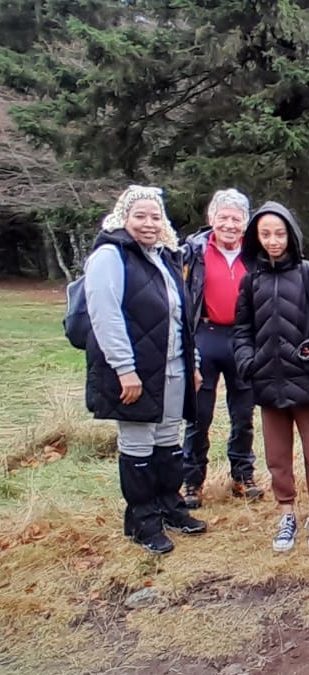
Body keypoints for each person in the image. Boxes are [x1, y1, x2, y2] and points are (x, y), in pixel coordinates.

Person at [84, 185, 206, 554]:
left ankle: (170, 507)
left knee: (169, 440)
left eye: (156, 216)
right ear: (124, 218)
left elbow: (183, 317)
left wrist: (193, 364)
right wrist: (125, 369)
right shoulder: (110, 256)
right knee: (138, 443)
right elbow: (105, 317)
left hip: (172, 367)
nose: (149, 223)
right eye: (140, 216)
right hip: (135, 371)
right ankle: (143, 521)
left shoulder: (165, 258)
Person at [233, 202, 309, 553]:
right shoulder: (251, 281)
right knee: (277, 456)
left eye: (279, 233)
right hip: (267, 383)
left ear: (291, 235)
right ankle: (286, 513)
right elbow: (241, 330)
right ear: (256, 238)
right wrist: (247, 362)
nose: (273, 241)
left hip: (307, 382)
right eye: (265, 234)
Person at [179, 189, 258, 508]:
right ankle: (192, 481)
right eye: (223, 217)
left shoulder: (256, 254)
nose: (229, 224)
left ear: (246, 223)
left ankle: (243, 475)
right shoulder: (191, 252)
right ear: (211, 219)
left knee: (243, 414)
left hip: (241, 338)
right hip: (205, 335)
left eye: (236, 219)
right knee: (198, 414)